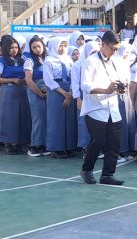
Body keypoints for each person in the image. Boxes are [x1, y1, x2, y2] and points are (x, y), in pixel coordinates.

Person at [79, 31, 127, 186]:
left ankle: (107, 174)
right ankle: (87, 169)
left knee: (114, 143)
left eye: (116, 49)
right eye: (112, 48)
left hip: (112, 107)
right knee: (98, 141)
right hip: (95, 109)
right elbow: (85, 86)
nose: (114, 52)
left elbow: (120, 80)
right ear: (103, 44)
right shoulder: (90, 61)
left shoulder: (115, 61)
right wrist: (105, 90)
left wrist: (120, 88)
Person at [44, 37, 77, 159]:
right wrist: (64, 93)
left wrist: (70, 92)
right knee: (56, 119)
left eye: (64, 45)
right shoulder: (49, 61)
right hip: (56, 91)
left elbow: (74, 76)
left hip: (69, 90)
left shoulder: (69, 60)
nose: (62, 48)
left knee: (69, 119)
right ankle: (56, 148)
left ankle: (68, 146)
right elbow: (49, 80)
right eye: (60, 46)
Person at [0, 36, 26, 155]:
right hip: (8, 90)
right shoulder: (1, 61)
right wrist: (12, 79)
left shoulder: (22, 60)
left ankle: (18, 142)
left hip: (21, 90)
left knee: (21, 116)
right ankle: (8, 143)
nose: (14, 50)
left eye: (16, 47)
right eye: (11, 47)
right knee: (8, 117)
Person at [23, 36, 49, 157]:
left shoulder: (46, 59)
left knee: (46, 118)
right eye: (34, 47)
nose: (37, 49)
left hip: (47, 91)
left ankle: (44, 144)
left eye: (39, 46)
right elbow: (28, 80)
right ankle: (36, 145)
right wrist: (39, 93)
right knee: (38, 118)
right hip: (35, 91)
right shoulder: (29, 61)